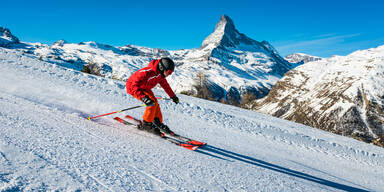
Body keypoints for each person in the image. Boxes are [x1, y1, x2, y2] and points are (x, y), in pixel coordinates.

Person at [126, 57, 179, 135]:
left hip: (145, 88)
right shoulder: (146, 72)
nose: (168, 75)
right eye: (168, 72)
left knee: (155, 102)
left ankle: (157, 122)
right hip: (134, 88)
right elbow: (134, 86)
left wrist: (173, 96)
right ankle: (146, 124)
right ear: (161, 68)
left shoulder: (160, 75)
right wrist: (143, 98)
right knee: (151, 103)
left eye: (170, 73)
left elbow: (165, 85)